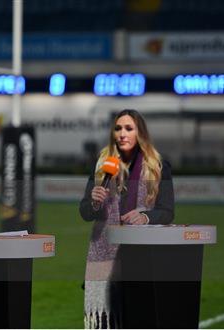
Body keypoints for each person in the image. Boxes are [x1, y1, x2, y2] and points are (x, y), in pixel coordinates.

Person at [79, 109, 174, 329]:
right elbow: (85, 212)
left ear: (140, 133)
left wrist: (145, 216)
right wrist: (94, 202)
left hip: (141, 256)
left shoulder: (159, 165)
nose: (122, 134)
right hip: (104, 255)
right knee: (106, 322)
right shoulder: (102, 165)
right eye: (118, 128)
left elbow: (167, 211)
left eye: (129, 128)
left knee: (138, 318)